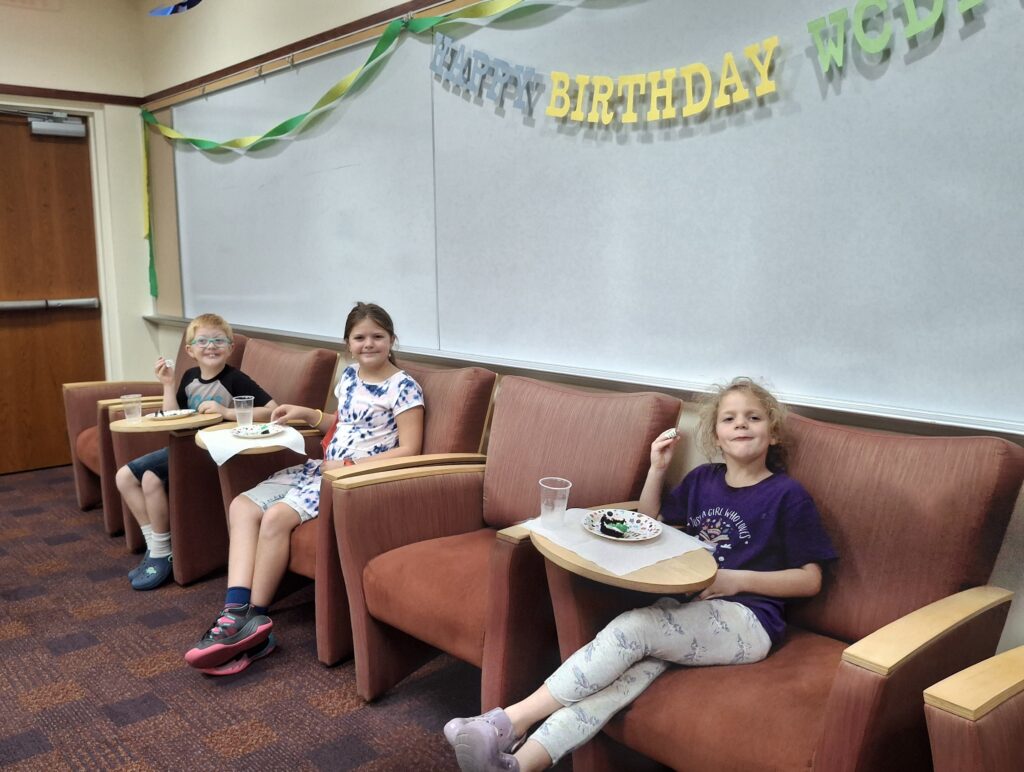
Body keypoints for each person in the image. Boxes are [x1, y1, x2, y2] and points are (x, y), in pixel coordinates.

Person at [443, 377, 837, 772]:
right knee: (623, 679)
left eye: (753, 418)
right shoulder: (704, 480)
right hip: (688, 610)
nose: (741, 425)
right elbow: (649, 522)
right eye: (730, 418)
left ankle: (507, 722)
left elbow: (810, 579)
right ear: (715, 435)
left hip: (750, 620)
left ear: (773, 434)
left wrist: (737, 580)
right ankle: (521, 764)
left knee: (634, 628)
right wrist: (657, 468)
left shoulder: (788, 495)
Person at [184, 302, 425, 675]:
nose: (369, 344)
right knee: (242, 507)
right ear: (348, 343)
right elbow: (342, 424)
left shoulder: (404, 387)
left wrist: (349, 466)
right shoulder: (349, 376)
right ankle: (235, 612)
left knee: (277, 517)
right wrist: (308, 414)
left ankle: (256, 623)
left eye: (378, 336)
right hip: (319, 468)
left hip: (349, 480)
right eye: (360, 337)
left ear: (392, 340)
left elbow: (411, 448)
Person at [115, 313, 276, 591]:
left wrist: (227, 412)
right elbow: (172, 414)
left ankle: (162, 550)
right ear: (190, 350)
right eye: (202, 341)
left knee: (151, 479)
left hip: (212, 452)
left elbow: (273, 409)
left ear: (230, 348)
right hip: (183, 448)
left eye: (218, 340)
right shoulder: (189, 377)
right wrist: (167, 383)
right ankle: (157, 545)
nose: (211, 346)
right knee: (123, 477)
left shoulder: (235, 380)